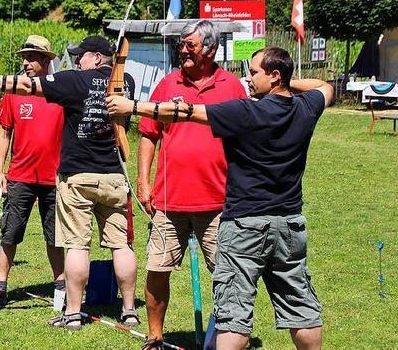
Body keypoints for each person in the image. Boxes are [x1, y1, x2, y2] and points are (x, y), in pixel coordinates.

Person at [106, 46, 333, 350]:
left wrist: (130, 106)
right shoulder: (306, 108)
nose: (247, 79)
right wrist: (287, 85)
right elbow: (325, 87)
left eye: (254, 73)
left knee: (233, 315)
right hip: (289, 225)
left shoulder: (246, 111)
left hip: (245, 226)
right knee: (301, 309)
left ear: (275, 75)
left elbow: (183, 111)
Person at [0, 35, 139, 330]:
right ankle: (130, 310)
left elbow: (26, 86)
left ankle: (71, 313)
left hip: (79, 176)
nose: (77, 60)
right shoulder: (126, 81)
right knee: (121, 246)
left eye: (81, 55)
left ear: (96, 57)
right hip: (114, 175)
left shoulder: (74, 81)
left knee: (78, 247)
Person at [134, 21, 246, 349]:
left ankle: (224, 337)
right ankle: (155, 336)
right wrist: (143, 182)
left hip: (219, 201)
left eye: (190, 46)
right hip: (169, 201)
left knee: (227, 276)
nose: (183, 50)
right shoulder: (168, 84)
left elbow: (245, 138)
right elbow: (148, 135)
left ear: (210, 50)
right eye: (182, 45)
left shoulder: (232, 86)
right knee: (157, 269)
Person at [0, 35, 65, 309]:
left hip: (54, 178)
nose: (26, 62)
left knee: (55, 236)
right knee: (10, 233)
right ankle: (0, 287)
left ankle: (60, 290)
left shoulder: (60, 92)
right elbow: (4, 134)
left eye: (32, 57)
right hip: (20, 176)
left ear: (46, 61)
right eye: (24, 57)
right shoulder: (13, 91)